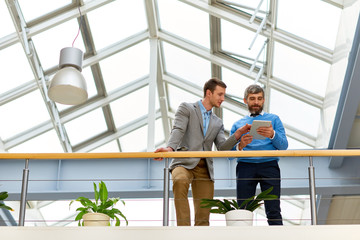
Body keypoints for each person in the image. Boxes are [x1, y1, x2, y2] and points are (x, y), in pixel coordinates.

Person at [154, 78, 251, 226]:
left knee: (203, 215)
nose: (223, 99)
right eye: (220, 94)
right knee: (179, 181)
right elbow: (178, 129)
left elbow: (222, 147)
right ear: (208, 93)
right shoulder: (187, 108)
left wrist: (237, 135)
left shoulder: (217, 122)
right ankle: (183, 230)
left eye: (224, 95)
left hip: (205, 168)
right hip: (184, 162)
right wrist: (170, 148)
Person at [230, 84, 288, 225]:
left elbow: (284, 146)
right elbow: (229, 154)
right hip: (245, 166)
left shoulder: (274, 120)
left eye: (259, 98)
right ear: (245, 100)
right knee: (243, 209)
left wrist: (272, 134)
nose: (256, 102)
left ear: (263, 101)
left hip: (269, 165)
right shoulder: (238, 124)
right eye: (252, 98)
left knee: (273, 208)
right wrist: (240, 146)